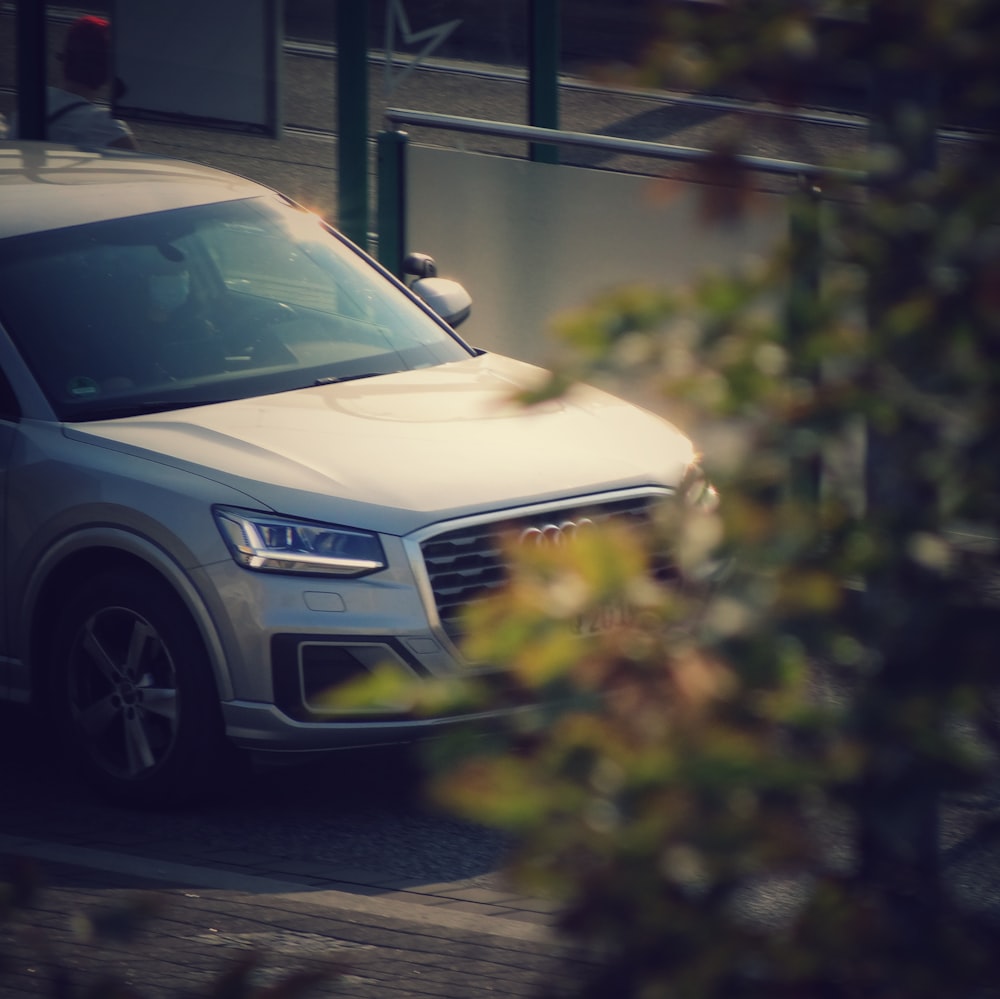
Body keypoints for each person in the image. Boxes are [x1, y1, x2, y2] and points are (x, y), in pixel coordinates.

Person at [9, 15, 137, 150]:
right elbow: (136, 166)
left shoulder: (33, 102)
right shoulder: (105, 125)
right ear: (110, 70)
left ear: (65, 58)